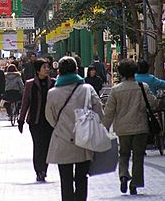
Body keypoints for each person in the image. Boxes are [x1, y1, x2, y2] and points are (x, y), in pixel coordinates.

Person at [45, 56, 103, 201]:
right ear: (77, 70)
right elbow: (99, 112)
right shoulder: (87, 89)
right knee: (82, 178)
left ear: (59, 72)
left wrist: (61, 127)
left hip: (62, 140)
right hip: (83, 140)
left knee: (65, 180)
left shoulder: (52, 93)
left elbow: (50, 117)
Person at [103, 59, 158, 195]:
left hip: (122, 128)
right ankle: (135, 183)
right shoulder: (142, 86)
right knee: (138, 156)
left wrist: (104, 128)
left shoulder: (116, 90)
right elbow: (153, 103)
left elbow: (109, 112)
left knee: (123, 154)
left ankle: (123, 175)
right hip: (140, 127)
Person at [18, 58, 55, 182]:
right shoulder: (30, 84)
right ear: (38, 70)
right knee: (38, 146)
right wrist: (21, 119)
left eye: (48, 67)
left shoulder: (53, 83)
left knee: (47, 146)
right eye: (44, 67)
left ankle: (44, 168)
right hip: (35, 120)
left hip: (49, 121)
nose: (47, 69)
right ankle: (39, 170)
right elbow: (25, 102)